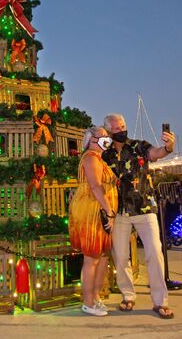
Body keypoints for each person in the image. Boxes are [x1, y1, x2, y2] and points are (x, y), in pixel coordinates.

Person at [102, 113, 175, 319]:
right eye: (116, 128)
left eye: (123, 126)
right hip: (119, 212)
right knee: (121, 256)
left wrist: (169, 147)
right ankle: (128, 296)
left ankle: (161, 301)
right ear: (108, 131)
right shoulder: (105, 155)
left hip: (144, 207)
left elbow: (156, 153)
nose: (121, 130)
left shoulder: (138, 146)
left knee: (154, 253)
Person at [69, 126, 118, 317]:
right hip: (93, 211)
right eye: (103, 136)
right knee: (92, 258)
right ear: (91, 139)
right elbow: (96, 186)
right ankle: (88, 302)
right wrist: (109, 211)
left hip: (101, 210)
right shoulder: (90, 158)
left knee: (102, 256)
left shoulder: (99, 159)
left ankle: (96, 297)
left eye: (107, 136)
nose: (107, 139)